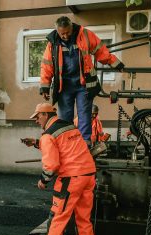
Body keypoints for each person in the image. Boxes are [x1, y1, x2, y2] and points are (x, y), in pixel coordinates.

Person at [25, 103, 98, 235]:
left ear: (45, 115)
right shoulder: (70, 126)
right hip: (88, 175)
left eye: (37, 117)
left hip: (70, 179)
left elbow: (51, 165)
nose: (36, 120)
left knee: (58, 217)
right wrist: (37, 143)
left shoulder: (48, 135)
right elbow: (65, 146)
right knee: (83, 219)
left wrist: (43, 180)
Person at [40, 16, 124, 144]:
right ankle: (67, 145)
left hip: (83, 85)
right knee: (65, 118)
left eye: (67, 32)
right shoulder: (52, 42)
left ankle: (85, 145)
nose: (65, 36)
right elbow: (47, 65)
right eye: (62, 33)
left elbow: (101, 51)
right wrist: (45, 86)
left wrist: (116, 63)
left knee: (84, 116)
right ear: (57, 31)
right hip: (64, 87)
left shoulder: (84, 34)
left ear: (71, 27)